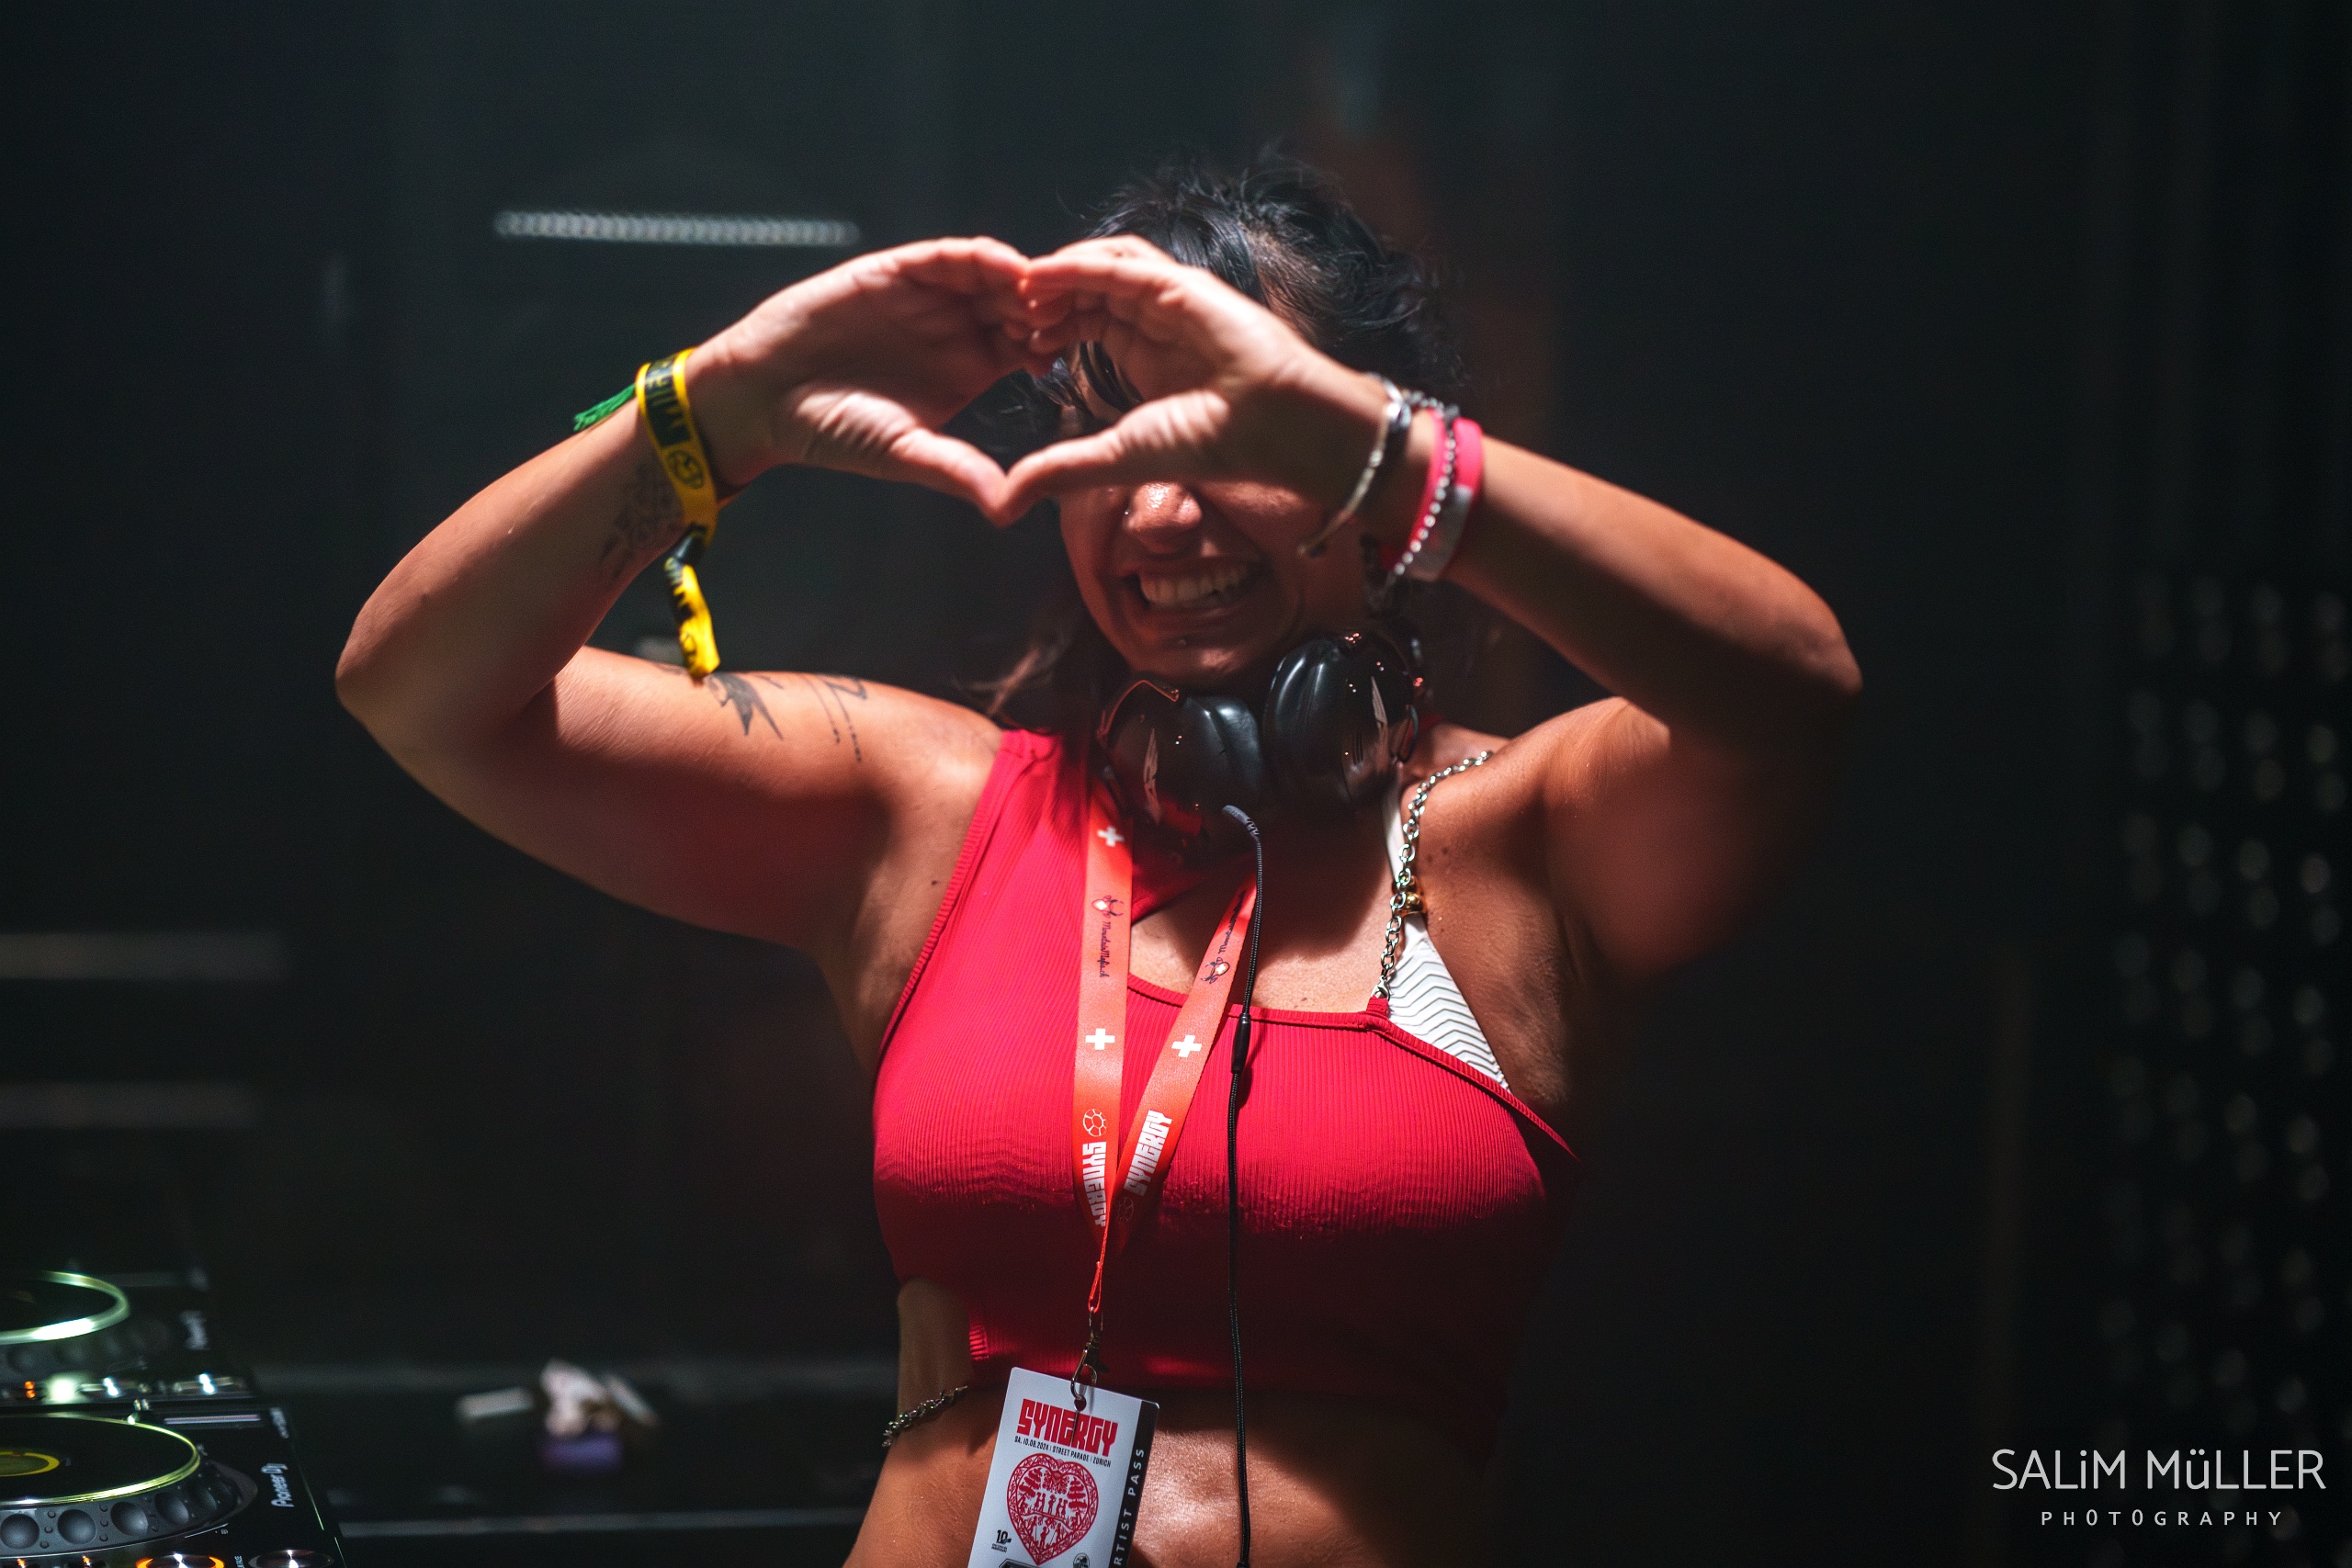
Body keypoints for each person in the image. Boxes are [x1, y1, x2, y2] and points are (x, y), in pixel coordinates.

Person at [337, 159, 1860, 1568]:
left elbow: (1793, 698)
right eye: (1107, 440)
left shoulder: (1522, 841)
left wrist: (1382, 455)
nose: (1157, 507)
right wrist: (717, 407)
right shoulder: (931, 812)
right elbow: (419, 693)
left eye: (1229, 437)